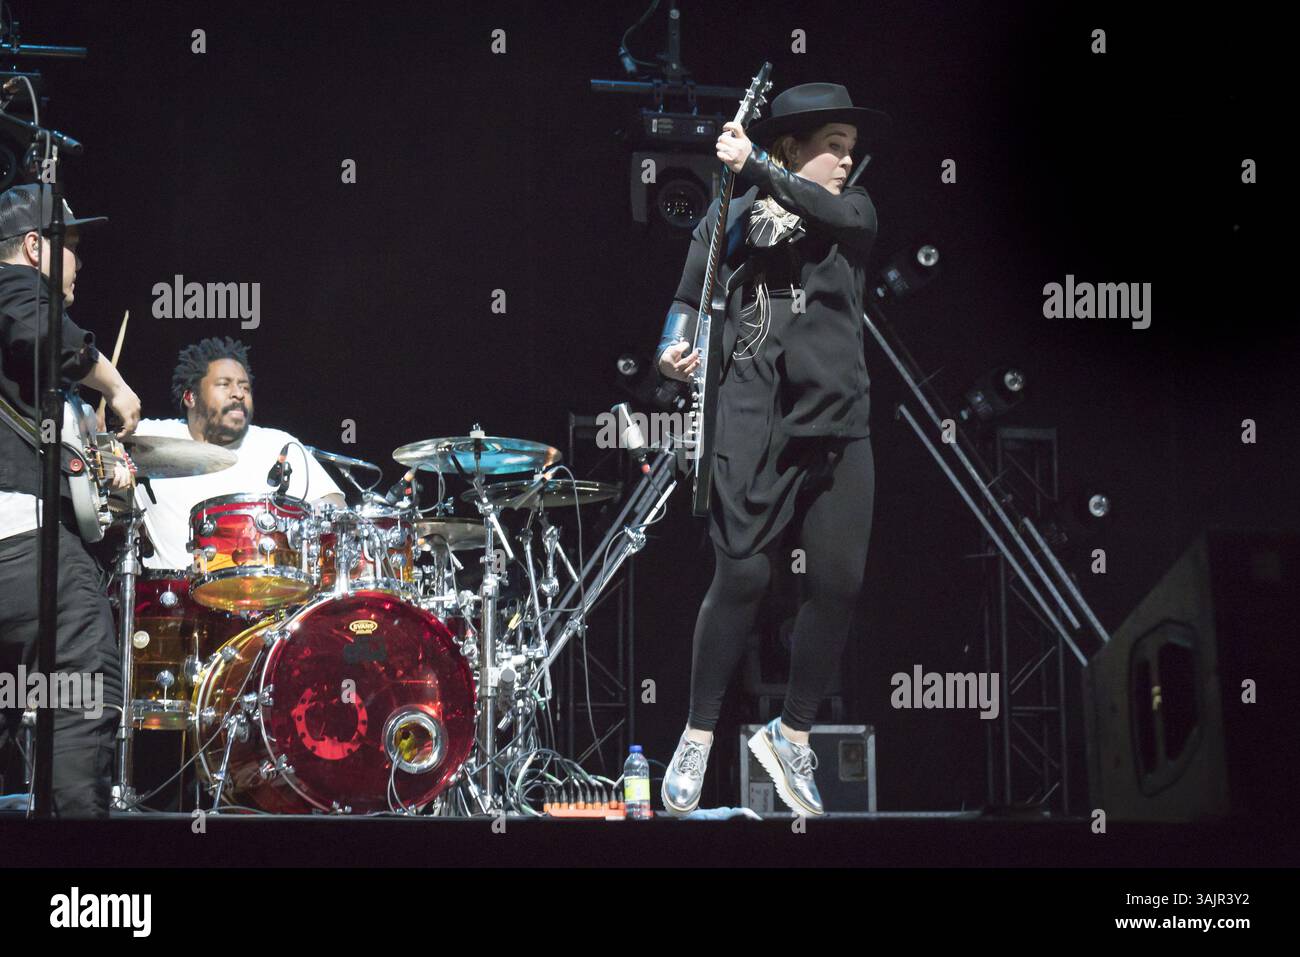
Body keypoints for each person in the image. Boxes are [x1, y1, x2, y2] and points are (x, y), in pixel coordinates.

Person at [655, 84, 890, 816]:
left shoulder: (853, 211)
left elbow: (819, 208)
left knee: (841, 582)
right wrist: (671, 346)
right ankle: (697, 732)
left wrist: (756, 164)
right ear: (794, 145)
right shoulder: (728, 216)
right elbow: (689, 297)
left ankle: (792, 733)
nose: (846, 162)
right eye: (833, 146)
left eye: (851, 148)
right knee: (744, 578)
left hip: (835, 418)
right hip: (752, 421)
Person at [0, 183, 139, 817]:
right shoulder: (14, 289)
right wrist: (116, 383)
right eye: (71, 247)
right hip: (24, 545)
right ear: (34, 246)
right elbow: (47, 332)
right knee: (87, 690)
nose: (79, 263)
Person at [134, 337, 344, 570]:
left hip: (269, 594)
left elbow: (335, 507)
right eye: (224, 384)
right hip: (174, 599)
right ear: (190, 397)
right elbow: (93, 442)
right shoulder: (148, 440)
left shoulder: (277, 444)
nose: (239, 394)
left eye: (245, 387)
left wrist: (301, 527)